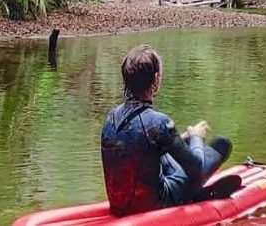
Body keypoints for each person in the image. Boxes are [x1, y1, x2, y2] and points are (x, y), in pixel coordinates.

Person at [101, 45, 240, 217]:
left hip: (119, 206)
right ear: (156, 78)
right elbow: (196, 167)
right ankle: (194, 194)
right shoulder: (159, 122)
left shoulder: (111, 117)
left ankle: (193, 191)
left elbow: (138, 150)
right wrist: (196, 137)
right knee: (222, 144)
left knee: (169, 153)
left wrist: (181, 138)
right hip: (154, 205)